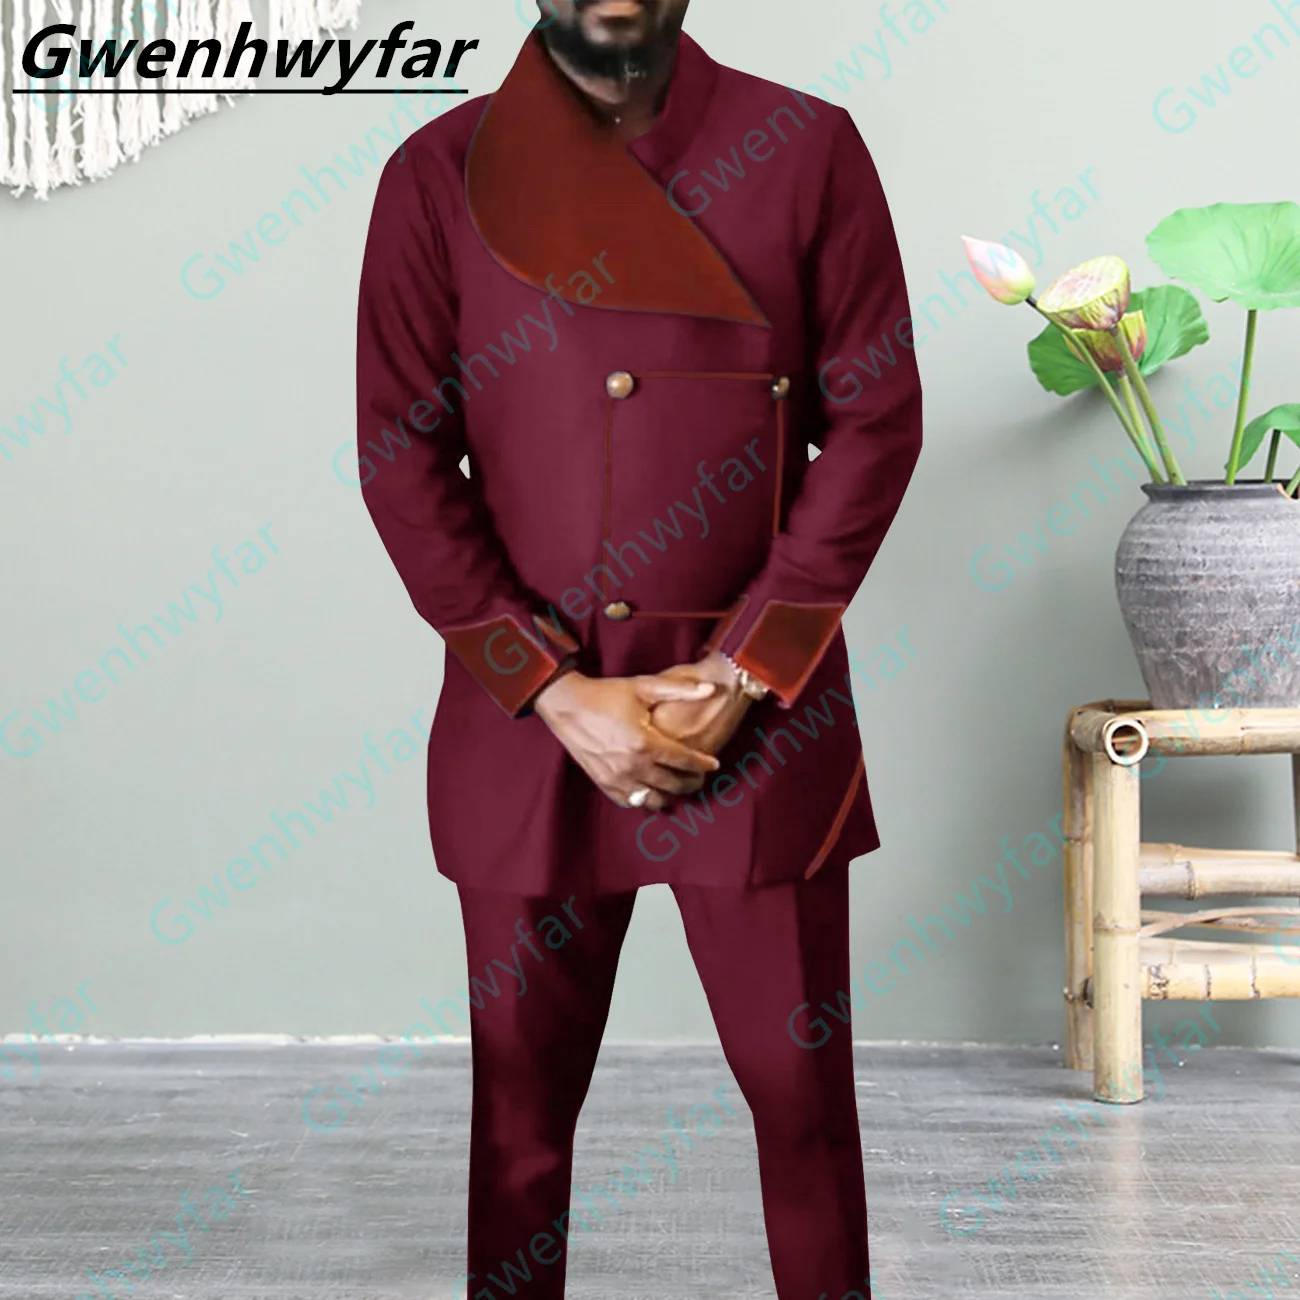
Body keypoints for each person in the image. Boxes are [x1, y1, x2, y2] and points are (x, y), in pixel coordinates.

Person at [355, 0, 922, 1294]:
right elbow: (402, 455)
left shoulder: (807, 147)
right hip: (533, 724)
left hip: (759, 714)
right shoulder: (440, 172)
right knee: (517, 1120)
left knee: (801, 1099)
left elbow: (877, 420)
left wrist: (745, 670)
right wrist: (552, 688)